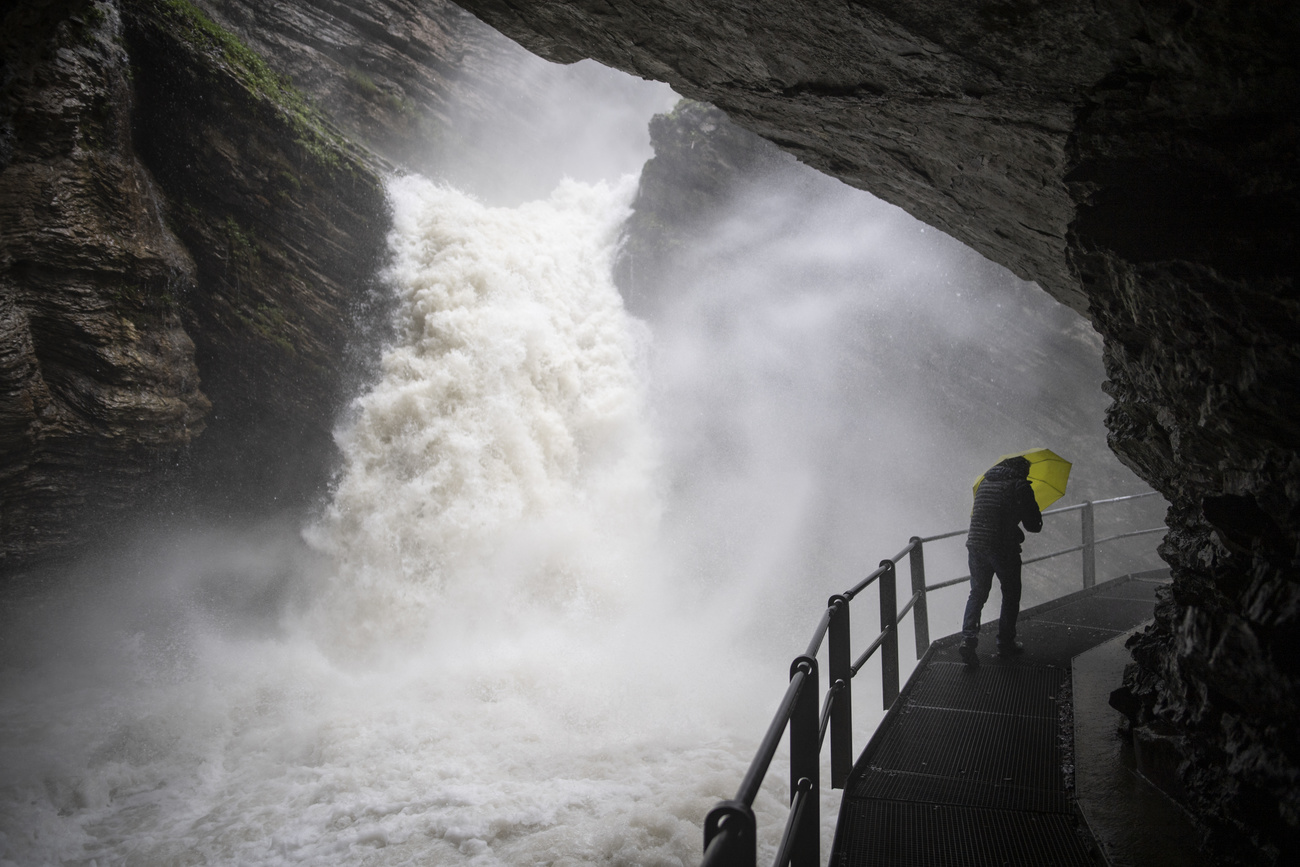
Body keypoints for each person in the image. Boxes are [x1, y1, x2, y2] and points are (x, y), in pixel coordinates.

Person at [959, 455, 1043, 667]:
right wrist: (1031, 509)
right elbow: (1034, 525)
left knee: (977, 592)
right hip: (1002, 547)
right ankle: (1005, 643)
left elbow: (991, 515)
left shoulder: (985, 483)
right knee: (1011, 592)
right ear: (1022, 470)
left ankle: (968, 638)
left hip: (976, 544)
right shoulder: (1020, 485)